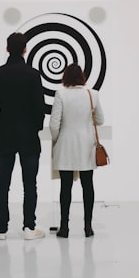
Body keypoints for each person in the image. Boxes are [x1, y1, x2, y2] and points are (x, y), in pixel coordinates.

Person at [0, 32, 47, 240]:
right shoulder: (33, 75)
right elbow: (40, 108)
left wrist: (1, 124)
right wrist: (35, 127)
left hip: (5, 136)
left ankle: (1, 229)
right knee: (30, 184)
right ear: (25, 49)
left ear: (7, 49)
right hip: (28, 136)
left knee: (2, 184)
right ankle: (29, 228)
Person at [49, 64, 105, 238]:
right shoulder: (92, 94)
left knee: (65, 187)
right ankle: (88, 227)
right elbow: (101, 120)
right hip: (86, 146)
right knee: (88, 186)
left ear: (65, 77)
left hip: (65, 146)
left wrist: (57, 138)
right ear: (82, 77)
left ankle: (64, 228)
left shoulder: (61, 94)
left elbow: (53, 124)